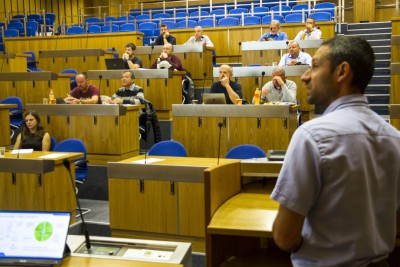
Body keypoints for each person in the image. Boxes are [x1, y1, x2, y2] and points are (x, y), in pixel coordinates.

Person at [271, 36, 400, 266]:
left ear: (342, 72)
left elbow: (284, 237)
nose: (304, 76)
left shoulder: (311, 136)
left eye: (315, 66)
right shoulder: (394, 138)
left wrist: (312, 245)